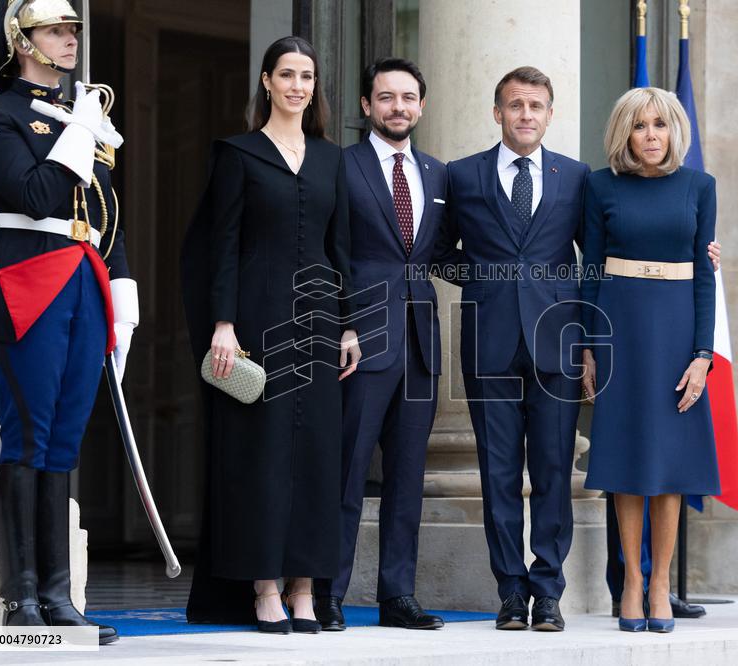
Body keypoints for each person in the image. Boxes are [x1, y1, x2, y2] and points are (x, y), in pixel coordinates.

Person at [0, 0, 137, 645]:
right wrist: (79, 132)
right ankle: (19, 601)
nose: (70, 40)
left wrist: (124, 292)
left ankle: (58, 598)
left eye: (73, 30)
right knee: (27, 436)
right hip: (27, 282)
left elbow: (106, 214)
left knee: (64, 444)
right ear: (21, 41)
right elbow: (34, 196)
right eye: (56, 30)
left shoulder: (82, 116)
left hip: (84, 279)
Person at [181, 35, 359, 635]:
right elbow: (222, 245)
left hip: (319, 323)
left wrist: (351, 324)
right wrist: (223, 324)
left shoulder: (333, 159)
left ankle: (304, 587)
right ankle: (263, 588)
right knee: (260, 454)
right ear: (266, 81)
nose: (297, 86)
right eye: (286, 74)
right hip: (255, 321)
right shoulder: (238, 154)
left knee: (317, 457)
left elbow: (342, 248)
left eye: (306, 76)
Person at [432, 66, 589, 632]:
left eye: (536, 106)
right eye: (516, 105)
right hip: (489, 339)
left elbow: (594, 257)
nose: (526, 115)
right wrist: (485, 280)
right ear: (497, 112)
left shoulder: (576, 177)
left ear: (550, 115)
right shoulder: (462, 175)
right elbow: (436, 250)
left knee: (553, 469)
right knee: (497, 472)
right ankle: (510, 592)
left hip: (556, 340)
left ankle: (547, 591)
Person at [580, 87, 722, 634]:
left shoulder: (700, 186)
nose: (651, 135)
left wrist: (702, 355)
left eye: (660, 124)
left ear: (674, 131)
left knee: (669, 464)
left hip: (677, 329)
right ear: (625, 132)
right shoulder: (600, 186)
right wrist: (589, 347)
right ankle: (632, 584)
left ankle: (660, 582)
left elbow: (705, 276)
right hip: (619, 328)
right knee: (626, 460)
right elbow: (591, 270)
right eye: (639, 126)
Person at [313, 58, 446, 631]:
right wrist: (342, 323)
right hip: (360, 341)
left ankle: (397, 596)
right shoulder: (340, 166)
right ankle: (328, 592)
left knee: (407, 480)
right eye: (386, 97)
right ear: (367, 105)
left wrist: (517, 271)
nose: (398, 107)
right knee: (346, 474)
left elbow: (445, 252)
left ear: (421, 106)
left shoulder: (438, 175)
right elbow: (328, 251)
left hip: (420, 345)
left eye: (408, 97)